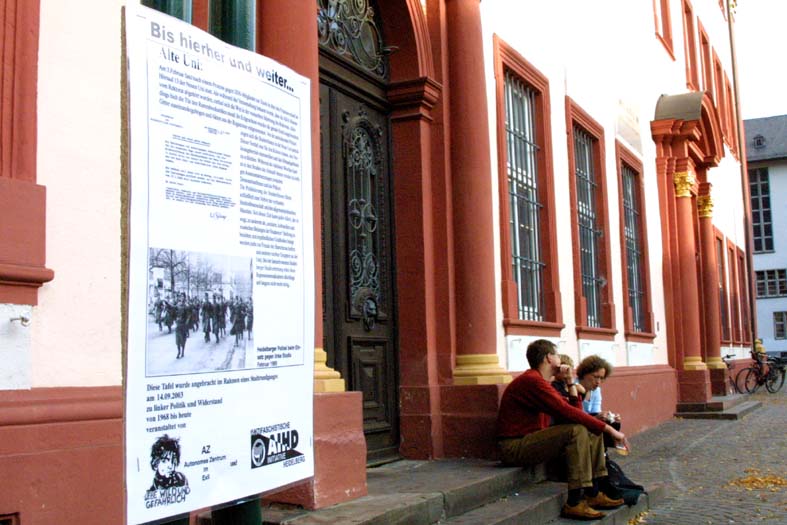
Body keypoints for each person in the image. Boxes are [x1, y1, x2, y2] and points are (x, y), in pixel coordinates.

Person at [497, 339, 628, 520]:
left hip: (531, 441)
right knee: (576, 430)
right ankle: (574, 502)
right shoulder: (532, 381)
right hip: (514, 447)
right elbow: (567, 412)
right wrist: (610, 430)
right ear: (548, 358)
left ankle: (594, 491)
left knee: (590, 429)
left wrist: (570, 383)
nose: (560, 360)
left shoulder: (541, 382)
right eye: (557, 355)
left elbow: (573, 412)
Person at [576, 355, 621, 450]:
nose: (598, 382)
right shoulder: (574, 387)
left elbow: (596, 412)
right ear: (584, 373)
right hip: (577, 426)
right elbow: (575, 415)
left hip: (588, 424)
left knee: (614, 423)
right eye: (596, 377)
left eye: (601, 378)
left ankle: (603, 453)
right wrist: (595, 418)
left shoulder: (596, 390)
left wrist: (609, 417)